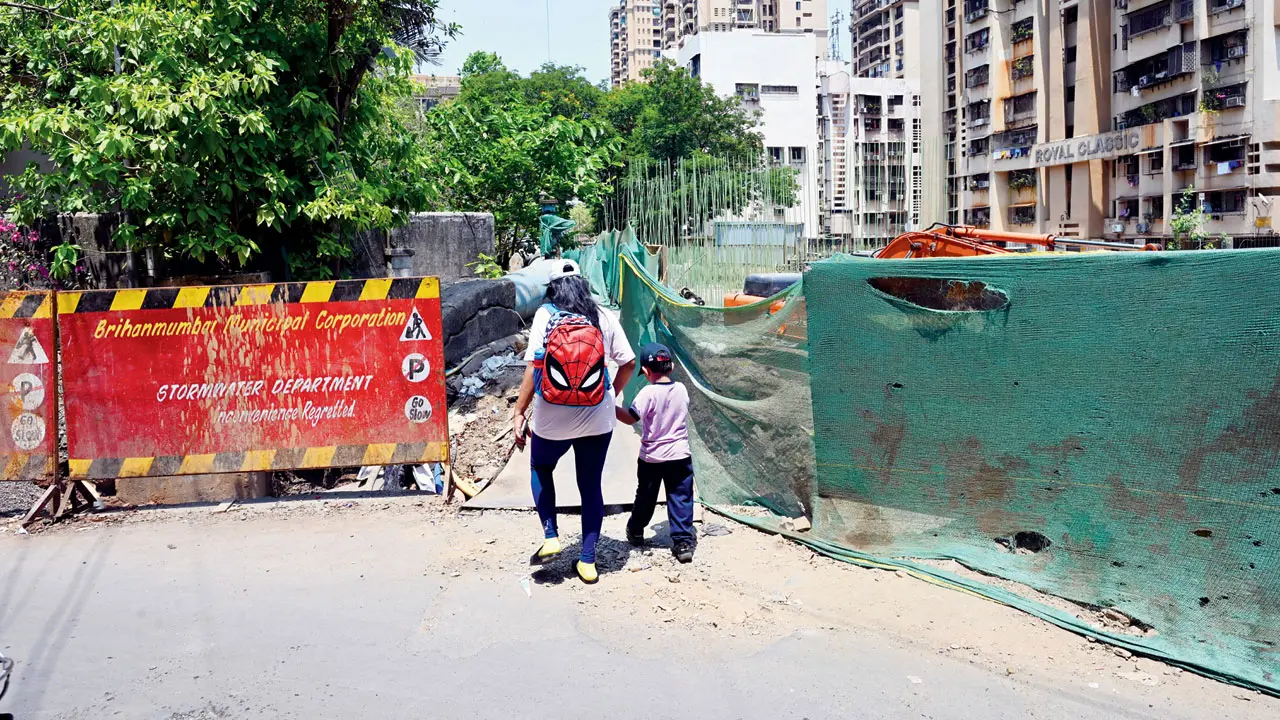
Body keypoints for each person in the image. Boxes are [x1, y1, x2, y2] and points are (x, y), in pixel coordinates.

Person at [513, 260, 635, 584]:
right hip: (597, 418)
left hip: (552, 417)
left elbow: (532, 369)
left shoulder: (544, 315)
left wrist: (518, 412)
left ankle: (551, 534)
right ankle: (588, 561)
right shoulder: (604, 316)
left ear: (552, 288)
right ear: (583, 284)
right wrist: (609, 391)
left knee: (541, 468)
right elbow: (629, 363)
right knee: (590, 485)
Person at [615, 343, 696, 564]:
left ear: (646, 371)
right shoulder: (681, 389)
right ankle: (683, 543)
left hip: (652, 456)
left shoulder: (647, 393)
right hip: (680, 455)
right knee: (681, 497)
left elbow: (631, 417)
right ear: (670, 368)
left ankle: (636, 530)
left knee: (646, 496)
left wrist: (609, 407)